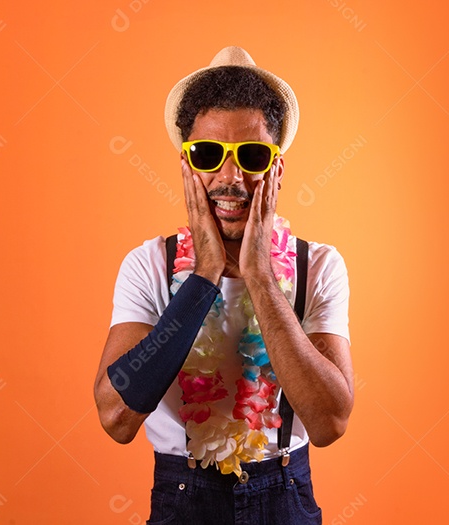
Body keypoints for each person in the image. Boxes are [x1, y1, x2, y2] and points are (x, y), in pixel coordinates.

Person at [94, 45, 354, 525]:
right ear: (187, 165)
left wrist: (257, 273)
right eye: (209, 154)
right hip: (182, 495)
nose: (230, 177)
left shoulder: (317, 265)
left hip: (285, 495)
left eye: (252, 156)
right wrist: (205, 275)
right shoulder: (149, 265)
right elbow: (116, 419)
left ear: (276, 169)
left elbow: (329, 423)